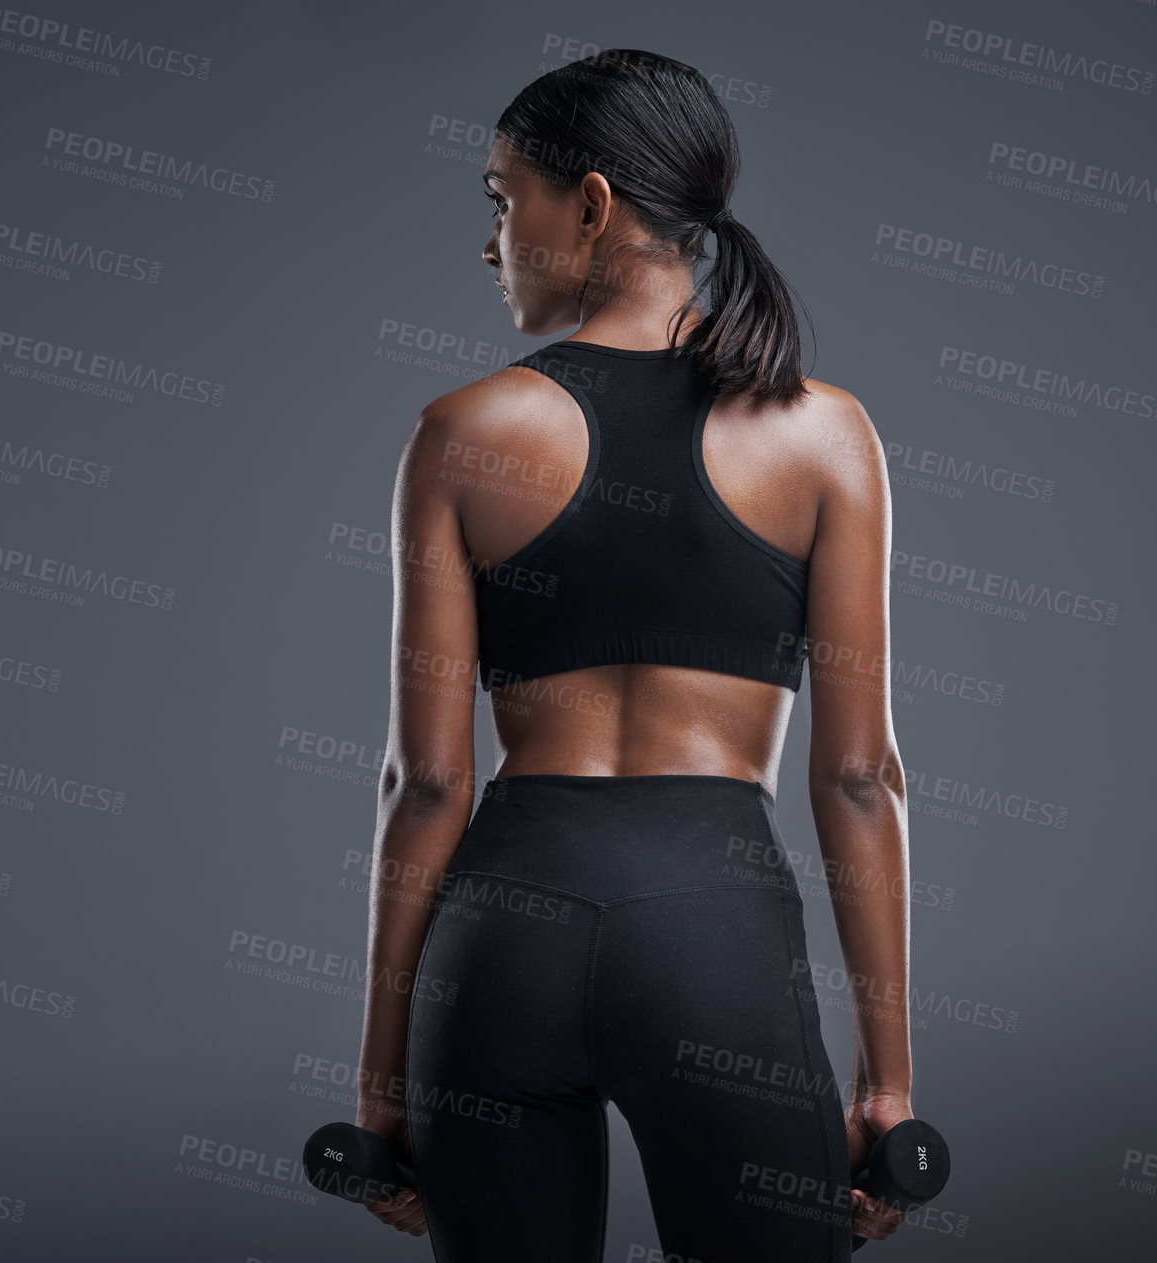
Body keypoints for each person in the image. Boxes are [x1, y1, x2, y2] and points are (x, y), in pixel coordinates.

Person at [353, 50, 915, 1262]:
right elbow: (861, 779)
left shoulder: (459, 434)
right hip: (711, 937)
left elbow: (429, 784)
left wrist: (383, 1077)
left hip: (499, 941)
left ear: (591, 204)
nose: (491, 242)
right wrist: (886, 1084)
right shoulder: (823, 435)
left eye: (504, 204)